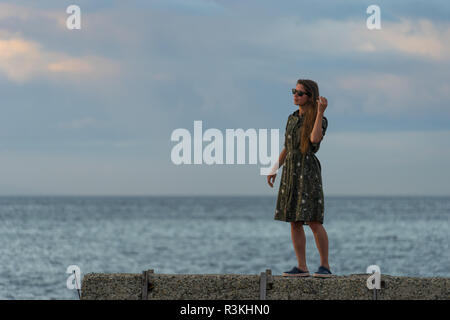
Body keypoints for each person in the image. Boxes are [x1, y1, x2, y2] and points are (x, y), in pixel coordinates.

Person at [267, 79, 332, 278]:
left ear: (310, 97)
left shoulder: (319, 118)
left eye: (300, 93)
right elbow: (288, 145)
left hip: (307, 170)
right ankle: (302, 267)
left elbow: (314, 140)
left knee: (313, 220)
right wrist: (275, 168)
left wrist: (320, 112)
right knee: (294, 220)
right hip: (291, 172)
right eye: (294, 91)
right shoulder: (292, 118)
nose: (295, 95)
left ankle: (325, 266)